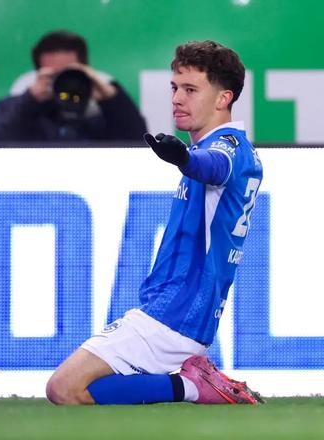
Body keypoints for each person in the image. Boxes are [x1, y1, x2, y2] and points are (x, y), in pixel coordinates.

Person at [46, 40, 264, 405]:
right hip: (178, 313)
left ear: (223, 98)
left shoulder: (227, 147)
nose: (177, 99)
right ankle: (192, 384)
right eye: (175, 88)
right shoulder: (235, 149)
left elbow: (214, 166)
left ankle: (194, 387)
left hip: (174, 314)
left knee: (64, 389)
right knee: (78, 389)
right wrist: (188, 158)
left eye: (190, 90)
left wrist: (184, 159)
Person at [0, 30, 147, 142]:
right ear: (39, 73)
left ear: (85, 70)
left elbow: (139, 146)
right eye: (53, 75)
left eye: (69, 73)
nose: (62, 81)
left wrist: (112, 99)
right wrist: (29, 102)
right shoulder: (19, 109)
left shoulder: (101, 112)